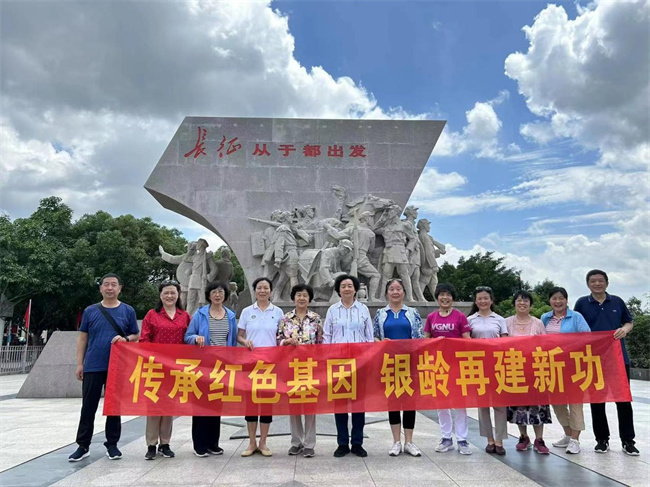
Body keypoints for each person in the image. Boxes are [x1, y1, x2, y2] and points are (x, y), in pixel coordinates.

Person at [68, 273, 140, 462]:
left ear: (119, 288)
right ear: (101, 288)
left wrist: (125, 339)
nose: (110, 288)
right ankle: (83, 445)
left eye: (113, 284)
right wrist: (80, 364)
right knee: (88, 407)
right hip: (93, 365)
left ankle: (112, 444)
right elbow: (83, 338)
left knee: (114, 407)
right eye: (106, 284)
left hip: (117, 366)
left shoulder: (128, 310)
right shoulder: (91, 311)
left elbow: (135, 335)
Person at [574, 270, 639, 456]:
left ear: (607, 283)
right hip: (593, 359)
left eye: (600, 281)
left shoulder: (617, 302)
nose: (597, 284)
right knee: (597, 400)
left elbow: (629, 322)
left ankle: (628, 441)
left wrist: (624, 329)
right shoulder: (582, 303)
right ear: (588, 284)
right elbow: (576, 327)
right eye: (593, 281)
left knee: (623, 400)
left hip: (618, 358)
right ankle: (602, 440)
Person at [323, 274, 374, 458]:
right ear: (338, 290)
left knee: (359, 404)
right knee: (340, 404)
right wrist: (328, 359)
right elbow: (327, 336)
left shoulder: (363, 309)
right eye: (343, 286)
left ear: (355, 289)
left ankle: (357, 443)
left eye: (350, 286)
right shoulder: (332, 310)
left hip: (359, 363)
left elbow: (369, 336)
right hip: (338, 363)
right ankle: (342, 443)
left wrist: (368, 359)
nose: (346, 289)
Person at [184, 281, 238, 457]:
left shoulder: (230, 316)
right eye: (214, 292)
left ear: (225, 295)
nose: (217, 295)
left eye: (220, 292)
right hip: (203, 366)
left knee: (216, 404)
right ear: (209, 295)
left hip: (221, 367)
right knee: (200, 404)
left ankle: (213, 443)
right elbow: (187, 336)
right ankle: (199, 444)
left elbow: (233, 341)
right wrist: (196, 338)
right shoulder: (200, 314)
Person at [140, 280, 191, 460]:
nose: (169, 296)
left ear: (178, 295)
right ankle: (151, 444)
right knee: (154, 406)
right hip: (155, 367)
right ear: (160, 295)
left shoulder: (184, 316)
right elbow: (144, 340)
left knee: (169, 406)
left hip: (176, 368)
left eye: (173, 293)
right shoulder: (152, 315)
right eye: (166, 293)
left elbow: (188, 339)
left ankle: (165, 443)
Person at [373, 278, 423, 457]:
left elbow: (419, 336)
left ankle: (409, 441)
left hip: (409, 363)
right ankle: (396, 441)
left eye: (398, 289)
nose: (395, 292)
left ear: (404, 292)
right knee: (393, 401)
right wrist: (381, 342)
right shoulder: (381, 313)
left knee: (410, 402)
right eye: (392, 289)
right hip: (389, 363)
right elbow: (375, 336)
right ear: (387, 293)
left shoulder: (412, 312)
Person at [237, 277, 284, 457]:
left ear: (270, 291)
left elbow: (281, 336)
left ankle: (263, 442)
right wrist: (245, 341)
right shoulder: (247, 311)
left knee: (266, 404)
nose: (262, 291)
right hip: (250, 364)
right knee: (250, 403)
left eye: (266, 288)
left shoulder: (278, 312)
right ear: (255, 290)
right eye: (259, 288)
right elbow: (239, 335)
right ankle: (251, 443)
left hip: (270, 365)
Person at [541, 287, 590, 454]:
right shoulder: (545, 318)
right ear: (550, 301)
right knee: (557, 404)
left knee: (575, 404)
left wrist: (568, 347)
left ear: (566, 300)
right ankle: (568, 434)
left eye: (561, 298)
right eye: (554, 298)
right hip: (552, 367)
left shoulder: (576, 317)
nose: (558, 301)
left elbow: (587, 337)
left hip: (573, 367)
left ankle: (575, 439)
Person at [424, 283, 472, 455]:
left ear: (453, 298)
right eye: (441, 295)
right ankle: (446, 438)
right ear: (437, 298)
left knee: (460, 403)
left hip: (457, 366)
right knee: (442, 404)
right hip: (439, 366)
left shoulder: (460, 317)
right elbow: (426, 340)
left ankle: (462, 439)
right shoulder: (432, 317)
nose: (445, 298)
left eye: (448, 295)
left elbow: (467, 340)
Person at [277, 283, 323, 458]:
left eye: (305, 295)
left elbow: (321, 343)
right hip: (291, 367)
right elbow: (278, 340)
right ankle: (296, 442)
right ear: (293, 298)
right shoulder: (285, 319)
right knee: (294, 404)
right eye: (298, 295)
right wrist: (286, 342)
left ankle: (309, 443)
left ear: (309, 299)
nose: (301, 298)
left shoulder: (316, 319)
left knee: (310, 405)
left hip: (311, 367)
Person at [505, 290, 551, 455]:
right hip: (515, 369)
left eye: (526, 300)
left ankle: (539, 439)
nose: (522, 303)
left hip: (535, 370)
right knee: (519, 406)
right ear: (514, 304)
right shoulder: (507, 322)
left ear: (531, 304)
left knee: (538, 405)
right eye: (519, 300)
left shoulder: (538, 323)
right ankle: (523, 437)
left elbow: (545, 345)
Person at [467, 286, 508, 456]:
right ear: (475, 301)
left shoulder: (500, 319)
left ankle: (499, 440)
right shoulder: (470, 320)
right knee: (483, 405)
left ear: (491, 300)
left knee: (500, 405)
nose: (483, 301)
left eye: (486, 298)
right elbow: (466, 342)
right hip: (478, 366)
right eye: (480, 298)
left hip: (496, 365)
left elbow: (505, 342)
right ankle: (489, 440)